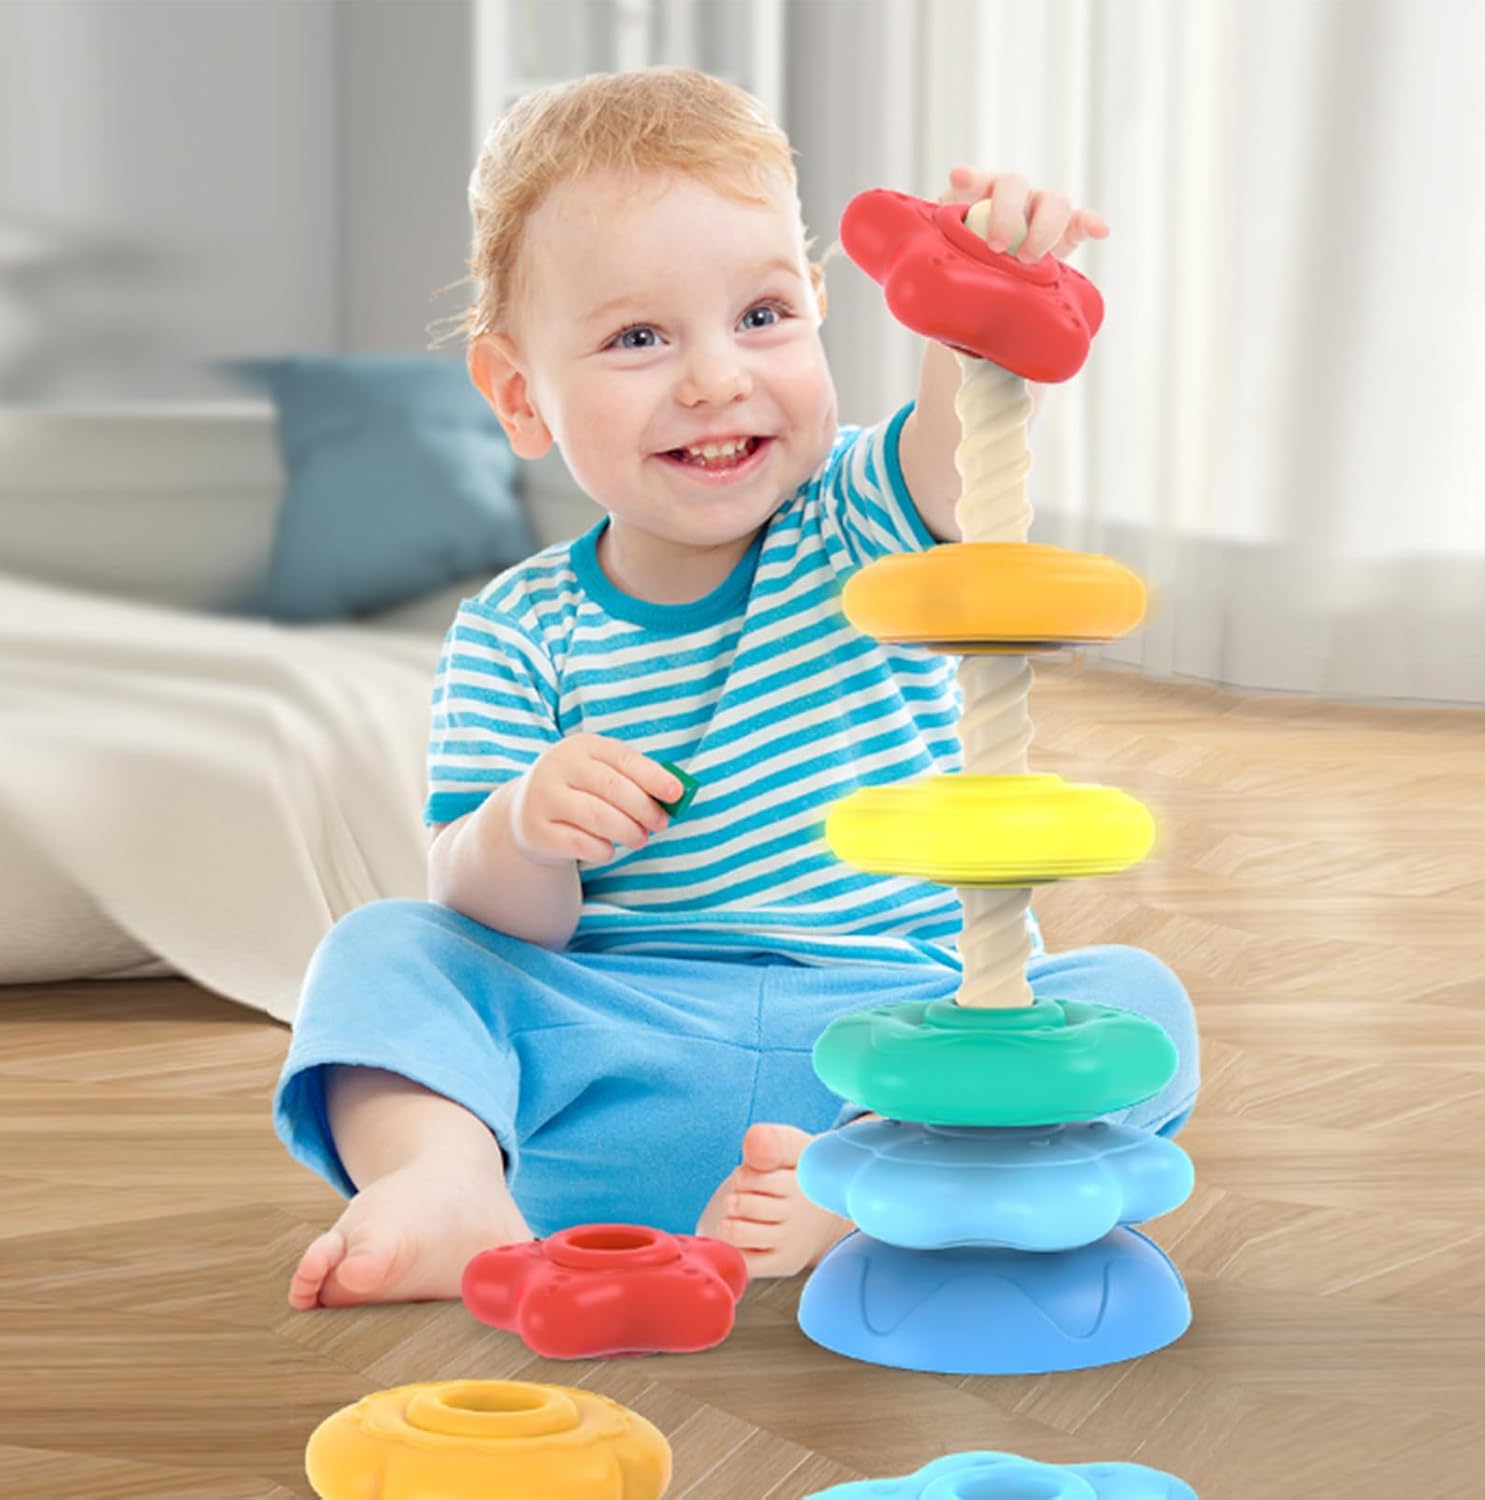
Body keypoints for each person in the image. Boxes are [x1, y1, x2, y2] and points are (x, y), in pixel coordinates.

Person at [274, 66, 1199, 1311]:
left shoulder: (859, 518)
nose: (715, 378)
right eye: (638, 338)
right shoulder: (516, 631)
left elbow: (955, 447)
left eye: (763, 315)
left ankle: (869, 1178)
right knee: (381, 951)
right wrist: (524, 829)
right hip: (622, 1056)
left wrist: (980, 294)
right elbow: (487, 913)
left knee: (1133, 1001)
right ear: (519, 396)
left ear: (819, 310)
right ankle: (446, 1185)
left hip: (899, 1053)